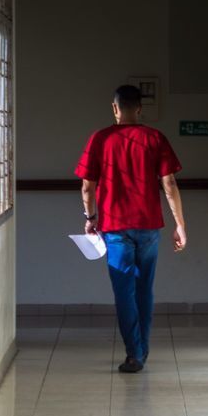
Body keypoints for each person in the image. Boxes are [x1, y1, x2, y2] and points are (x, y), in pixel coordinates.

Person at [75, 84, 187, 373]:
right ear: (139, 108)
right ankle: (142, 349)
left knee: (124, 292)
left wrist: (90, 218)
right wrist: (180, 225)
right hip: (149, 225)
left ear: (115, 108)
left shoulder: (100, 140)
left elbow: (87, 187)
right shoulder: (155, 138)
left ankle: (134, 354)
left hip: (115, 227)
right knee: (144, 290)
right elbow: (170, 184)